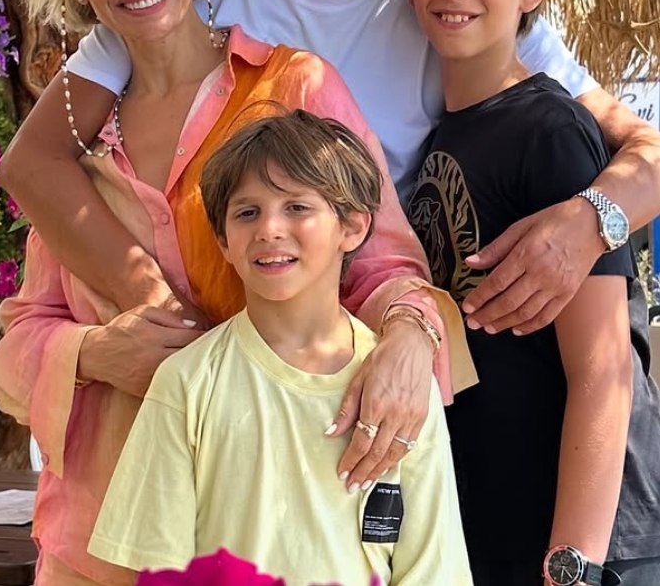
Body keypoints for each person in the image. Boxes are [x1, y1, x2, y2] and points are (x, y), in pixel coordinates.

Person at [0, 0, 660, 488]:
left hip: (397, 357)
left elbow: (645, 149)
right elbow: (36, 162)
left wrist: (587, 221)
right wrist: (166, 323)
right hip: (240, 372)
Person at [0, 0, 474, 586]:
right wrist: (93, 354)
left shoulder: (292, 89)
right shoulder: (78, 147)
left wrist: (412, 333)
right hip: (92, 543)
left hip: (265, 535)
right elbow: (19, 345)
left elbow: (380, 262)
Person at [389, 0, 660, 586]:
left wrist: (572, 564)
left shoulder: (548, 130)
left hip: (584, 540)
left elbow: (603, 368)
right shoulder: (444, 138)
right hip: (495, 524)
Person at [88, 110, 473, 586]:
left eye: (297, 207)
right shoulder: (186, 384)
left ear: (353, 226)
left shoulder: (403, 393)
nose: (269, 228)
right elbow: (159, 573)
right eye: (247, 212)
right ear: (224, 241)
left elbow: (432, 570)